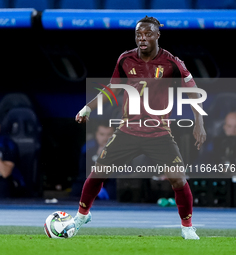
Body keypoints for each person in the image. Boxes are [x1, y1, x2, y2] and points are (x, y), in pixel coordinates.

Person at [74, 16, 206, 239]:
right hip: (128, 130)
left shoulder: (172, 62)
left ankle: (187, 227)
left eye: (147, 34)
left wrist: (199, 123)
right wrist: (88, 108)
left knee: (179, 179)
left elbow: (194, 93)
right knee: (98, 173)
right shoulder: (125, 59)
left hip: (159, 132)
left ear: (157, 35)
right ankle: (81, 215)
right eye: (138, 34)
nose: (142, 38)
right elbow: (112, 89)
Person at [72, 123, 115, 200]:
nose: (105, 138)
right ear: (96, 135)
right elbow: (82, 172)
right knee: (77, 188)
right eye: (102, 134)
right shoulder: (87, 152)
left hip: (110, 183)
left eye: (109, 135)